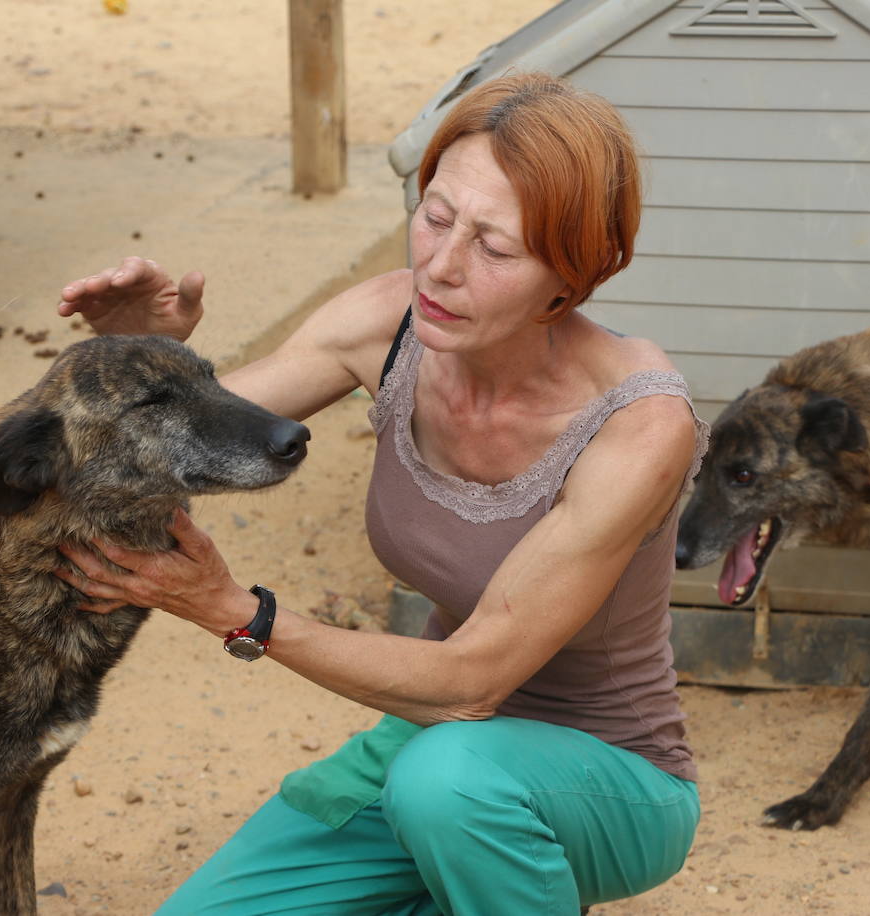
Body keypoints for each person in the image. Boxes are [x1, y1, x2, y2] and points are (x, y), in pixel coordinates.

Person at [54, 72, 706, 915]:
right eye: (435, 217)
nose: (440, 264)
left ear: (573, 274)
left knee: (448, 790)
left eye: (495, 249)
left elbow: (474, 682)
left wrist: (236, 611)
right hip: (428, 739)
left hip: (605, 774)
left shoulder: (639, 424)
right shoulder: (388, 324)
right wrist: (144, 355)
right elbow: (157, 446)